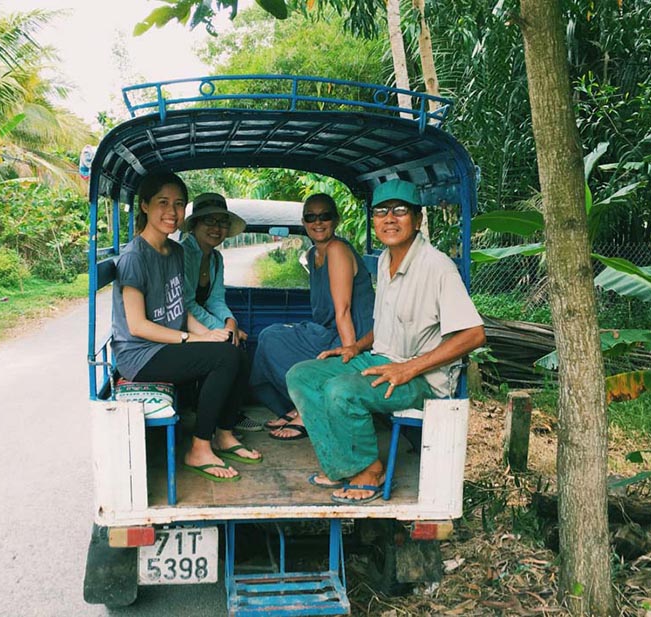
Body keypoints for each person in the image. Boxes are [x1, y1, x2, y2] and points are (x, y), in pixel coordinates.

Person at [285, 179, 485, 504]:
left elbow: (474, 334)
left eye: (400, 211)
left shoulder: (437, 267)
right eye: (381, 212)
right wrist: (356, 346)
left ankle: (369, 471)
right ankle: (342, 464)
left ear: (418, 220)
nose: (390, 218)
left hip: (422, 379)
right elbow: (385, 324)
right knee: (302, 375)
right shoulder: (383, 260)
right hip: (382, 358)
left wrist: (409, 368)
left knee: (341, 391)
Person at [110, 172, 262, 483]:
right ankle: (199, 448)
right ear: (144, 206)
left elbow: (182, 306)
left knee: (233, 350)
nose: (172, 212)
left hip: (166, 345)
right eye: (163, 203)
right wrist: (192, 338)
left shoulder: (175, 252)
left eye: (179, 204)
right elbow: (137, 326)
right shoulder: (134, 258)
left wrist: (209, 335)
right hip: (140, 355)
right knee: (224, 357)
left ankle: (224, 433)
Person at [250, 193, 375, 441]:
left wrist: (349, 353)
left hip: (354, 332)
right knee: (270, 337)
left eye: (325, 216)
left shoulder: (337, 249)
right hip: (328, 330)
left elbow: (343, 310)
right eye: (311, 217)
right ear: (304, 222)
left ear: (336, 220)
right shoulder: (312, 254)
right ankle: (299, 403)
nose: (318, 222)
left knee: (279, 342)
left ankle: (308, 409)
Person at [180, 192, 260, 433]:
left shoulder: (215, 258)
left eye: (222, 222)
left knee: (236, 343)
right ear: (195, 224)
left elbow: (216, 299)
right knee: (228, 350)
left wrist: (230, 322)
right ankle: (221, 416)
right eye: (209, 221)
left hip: (197, 321)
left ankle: (227, 414)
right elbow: (186, 303)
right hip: (179, 325)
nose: (217, 228)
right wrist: (220, 330)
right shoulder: (184, 254)